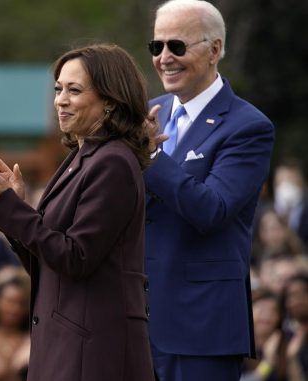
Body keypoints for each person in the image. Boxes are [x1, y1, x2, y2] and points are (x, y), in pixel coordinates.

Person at [0, 44, 154, 380]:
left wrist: (9, 209)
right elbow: (49, 263)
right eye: (59, 89)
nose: (60, 100)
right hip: (66, 338)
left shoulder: (112, 162)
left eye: (74, 90)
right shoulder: (81, 157)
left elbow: (75, 257)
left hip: (94, 348)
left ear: (110, 101)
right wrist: (13, 211)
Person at [143, 1, 275, 379]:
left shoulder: (248, 126)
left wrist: (151, 154)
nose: (164, 58)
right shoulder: (150, 113)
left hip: (200, 328)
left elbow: (212, 209)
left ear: (214, 49)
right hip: (138, 323)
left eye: (177, 46)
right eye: (157, 47)